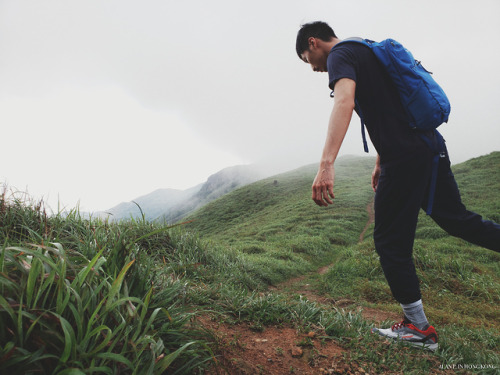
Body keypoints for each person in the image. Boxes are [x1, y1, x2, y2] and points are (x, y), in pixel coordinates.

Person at [295, 21, 500, 351]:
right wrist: (380, 159)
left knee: (389, 241)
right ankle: (417, 325)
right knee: (457, 219)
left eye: (307, 59)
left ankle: (419, 329)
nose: (314, 68)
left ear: (313, 43)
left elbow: (344, 102)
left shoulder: (339, 56)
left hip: (405, 158)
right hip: (429, 146)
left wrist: (326, 164)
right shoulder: (366, 48)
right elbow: (389, 105)